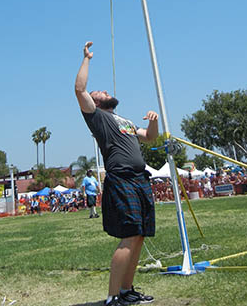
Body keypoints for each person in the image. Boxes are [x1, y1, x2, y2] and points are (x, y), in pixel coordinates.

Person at [75, 41, 158, 306]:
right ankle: (112, 297)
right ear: (96, 104)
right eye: (100, 92)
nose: (104, 91)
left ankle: (126, 290)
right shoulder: (97, 118)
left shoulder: (126, 121)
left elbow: (149, 139)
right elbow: (80, 89)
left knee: (141, 234)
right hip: (121, 179)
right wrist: (87, 58)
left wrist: (154, 123)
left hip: (140, 179)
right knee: (130, 234)